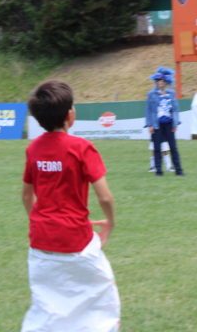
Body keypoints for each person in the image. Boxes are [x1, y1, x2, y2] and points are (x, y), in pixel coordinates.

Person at [21, 79, 120, 332]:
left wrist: (41, 221)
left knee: (47, 306)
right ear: (70, 115)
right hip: (76, 240)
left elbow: (26, 196)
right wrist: (110, 222)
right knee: (102, 302)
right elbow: (105, 197)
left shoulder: (33, 149)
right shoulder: (82, 148)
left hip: (40, 241)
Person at [145, 67, 184, 176]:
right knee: (157, 148)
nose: (159, 82)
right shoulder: (151, 94)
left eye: (161, 80)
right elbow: (148, 110)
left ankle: (179, 170)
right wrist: (150, 125)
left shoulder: (171, 93)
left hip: (169, 123)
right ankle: (158, 171)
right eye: (158, 80)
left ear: (166, 81)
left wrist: (175, 123)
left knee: (173, 147)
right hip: (157, 124)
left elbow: (175, 109)